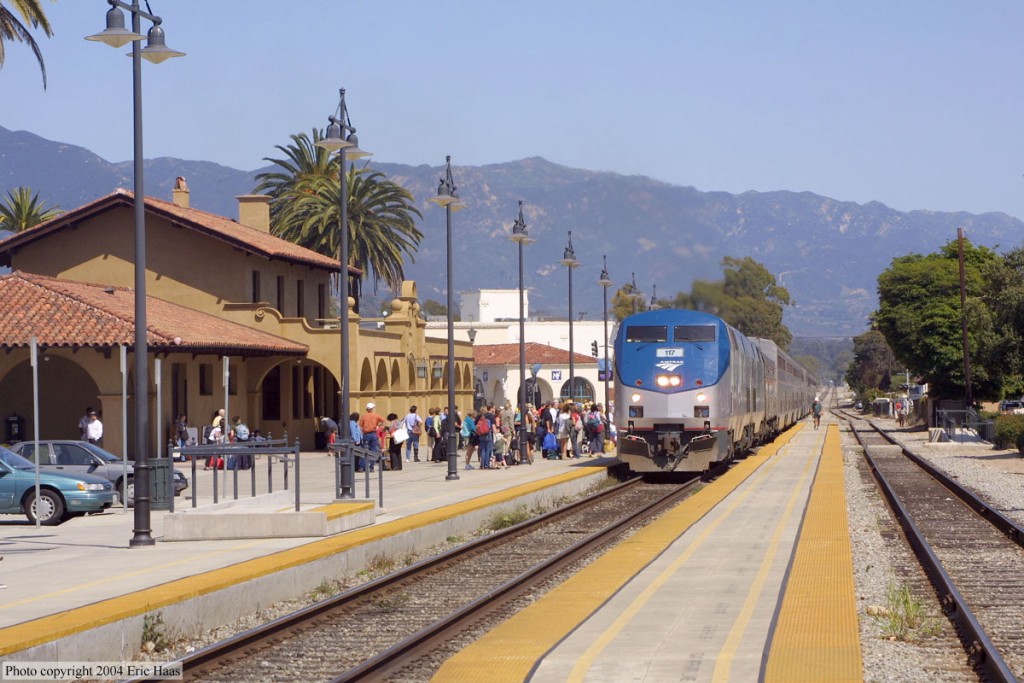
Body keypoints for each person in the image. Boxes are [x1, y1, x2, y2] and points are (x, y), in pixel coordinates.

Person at [357, 403, 387, 472]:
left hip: (366, 434)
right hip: (373, 434)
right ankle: (371, 467)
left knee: (364, 450)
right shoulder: (376, 415)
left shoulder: (363, 416)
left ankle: (362, 466)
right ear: (372, 409)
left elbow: (360, 426)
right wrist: (378, 426)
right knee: (373, 450)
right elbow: (384, 421)